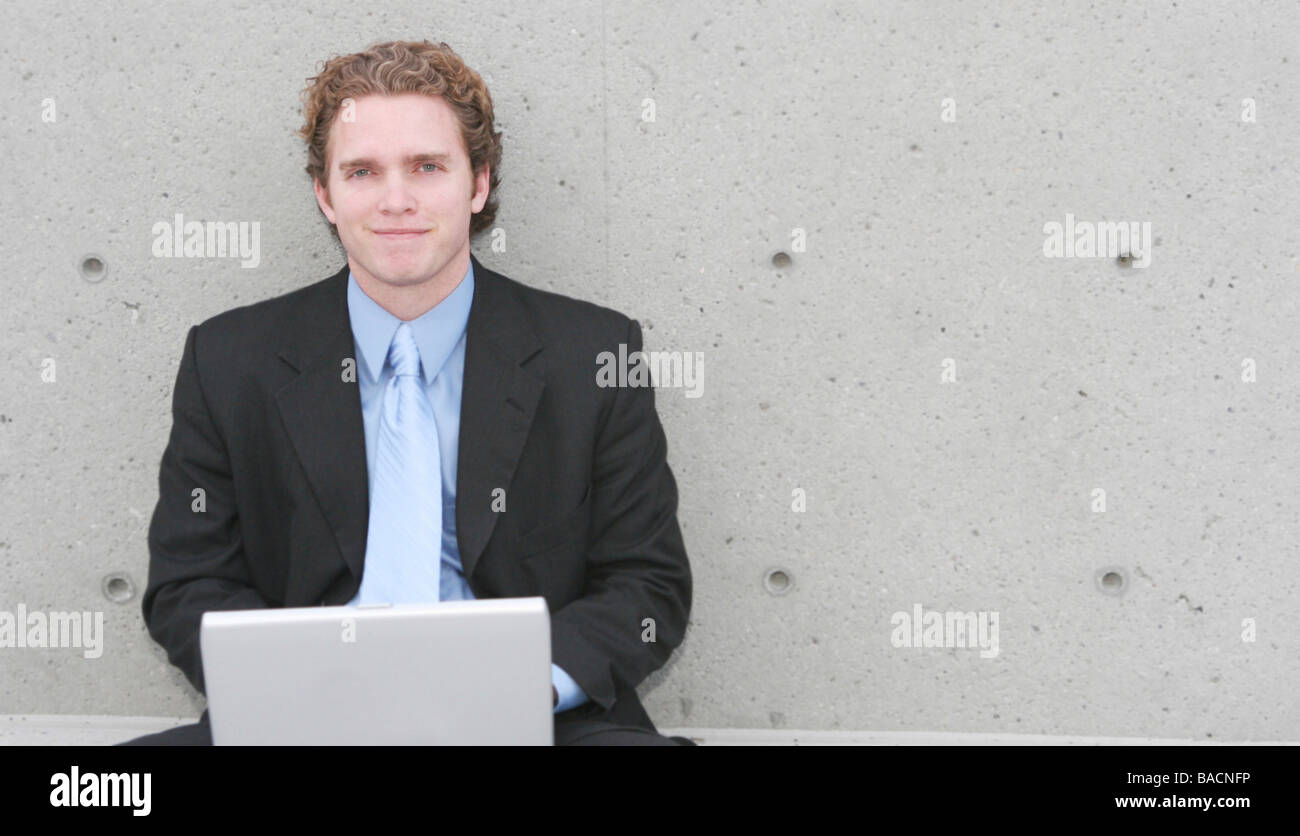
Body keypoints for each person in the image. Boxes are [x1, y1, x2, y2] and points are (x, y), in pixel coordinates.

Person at [120, 39, 693, 746]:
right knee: (89, 793)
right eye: (362, 171)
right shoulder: (228, 358)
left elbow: (647, 585)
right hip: (302, 725)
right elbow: (186, 586)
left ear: (478, 183)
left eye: (427, 166)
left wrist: (526, 687)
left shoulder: (595, 354)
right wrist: (302, 691)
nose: (396, 200)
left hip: (535, 723)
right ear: (326, 196)